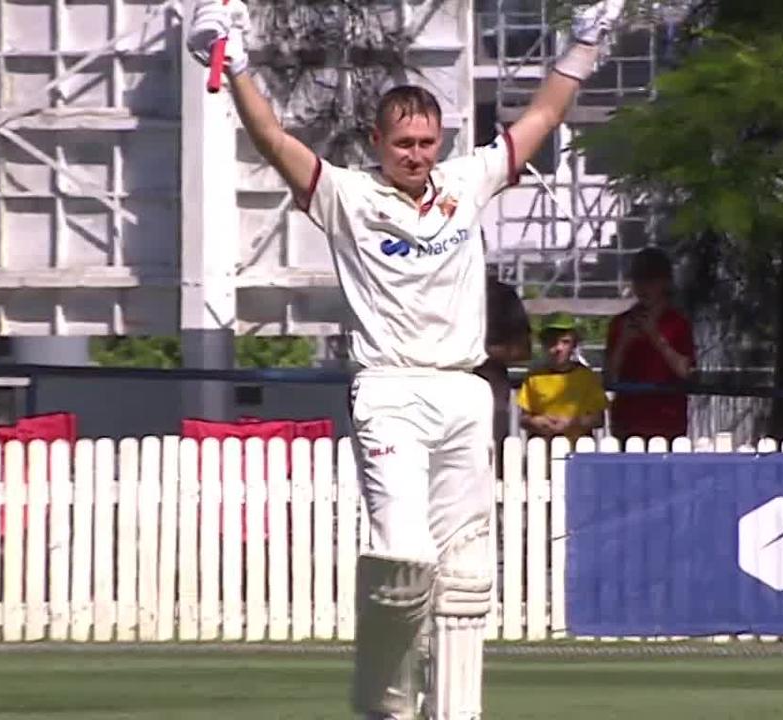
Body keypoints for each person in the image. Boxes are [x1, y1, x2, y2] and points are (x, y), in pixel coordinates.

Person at [187, 1, 626, 717]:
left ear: (440, 139)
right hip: (390, 389)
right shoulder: (348, 196)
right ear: (377, 141)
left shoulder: (465, 183)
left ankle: (452, 709)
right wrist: (233, 61)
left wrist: (583, 43)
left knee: (466, 573)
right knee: (404, 562)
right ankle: (386, 703)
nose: (416, 155)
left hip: (463, 390)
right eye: (403, 144)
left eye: (426, 142)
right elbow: (270, 137)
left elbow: (542, 119)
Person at [604, 247, 694, 440]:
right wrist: (623, 343)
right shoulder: (620, 323)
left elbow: (685, 371)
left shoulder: (678, 324)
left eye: (651, 281)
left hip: (667, 423)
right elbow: (609, 378)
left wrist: (656, 337)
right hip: (627, 424)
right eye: (638, 280)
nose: (643, 287)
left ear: (665, 283)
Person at [517, 313, 606, 443]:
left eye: (565, 342)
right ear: (544, 345)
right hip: (541, 448)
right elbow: (524, 417)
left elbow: (598, 419)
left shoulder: (587, 377)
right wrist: (537, 421)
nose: (559, 348)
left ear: (574, 346)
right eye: (552, 342)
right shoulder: (534, 378)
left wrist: (573, 422)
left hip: (580, 446)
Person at [473, 271, 531, 469]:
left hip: (491, 388)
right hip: (438, 391)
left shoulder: (502, 295)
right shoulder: (437, 288)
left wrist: (477, 352)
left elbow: (522, 349)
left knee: (492, 457)